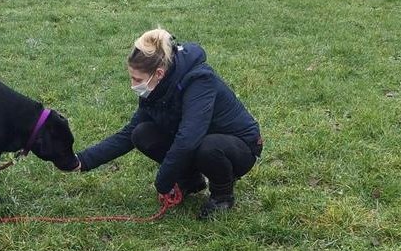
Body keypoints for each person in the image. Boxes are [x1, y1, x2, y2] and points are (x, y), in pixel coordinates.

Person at [73, 28, 262, 217]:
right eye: (131, 78)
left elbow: (188, 139)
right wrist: (82, 160)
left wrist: (164, 180)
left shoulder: (200, 81)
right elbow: (128, 134)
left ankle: (222, 196)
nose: (133, 85)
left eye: (138, 79)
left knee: (208, 147)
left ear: (159, 73)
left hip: (240, 146)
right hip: (199, 141)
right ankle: (190, 181)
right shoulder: (155, 88)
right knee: (141, 133)